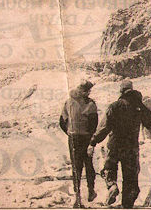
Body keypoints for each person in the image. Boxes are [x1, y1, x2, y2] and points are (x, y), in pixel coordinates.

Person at [87, 80, 151, 208]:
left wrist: (93, 141)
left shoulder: (114, 106)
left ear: (121, 91)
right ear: (132, 90)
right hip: (131, 147)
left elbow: (104, 128)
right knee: (131, 179)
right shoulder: (139, 107)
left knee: (108, 168)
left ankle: (112, 185)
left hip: (115, 144)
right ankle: (127, 205)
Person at [59, 79, 98, 208]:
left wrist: (70, 132)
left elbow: (61, 121)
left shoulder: (68, 102)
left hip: (73, 138)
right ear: (85, 91)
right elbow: (94, 123)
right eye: (88, 90)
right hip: (86, 138)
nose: (89, 93)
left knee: (76, 168)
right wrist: (91, 138)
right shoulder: (91, 104)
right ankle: (91, 191)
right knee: (89, 165)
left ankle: (77, 197)